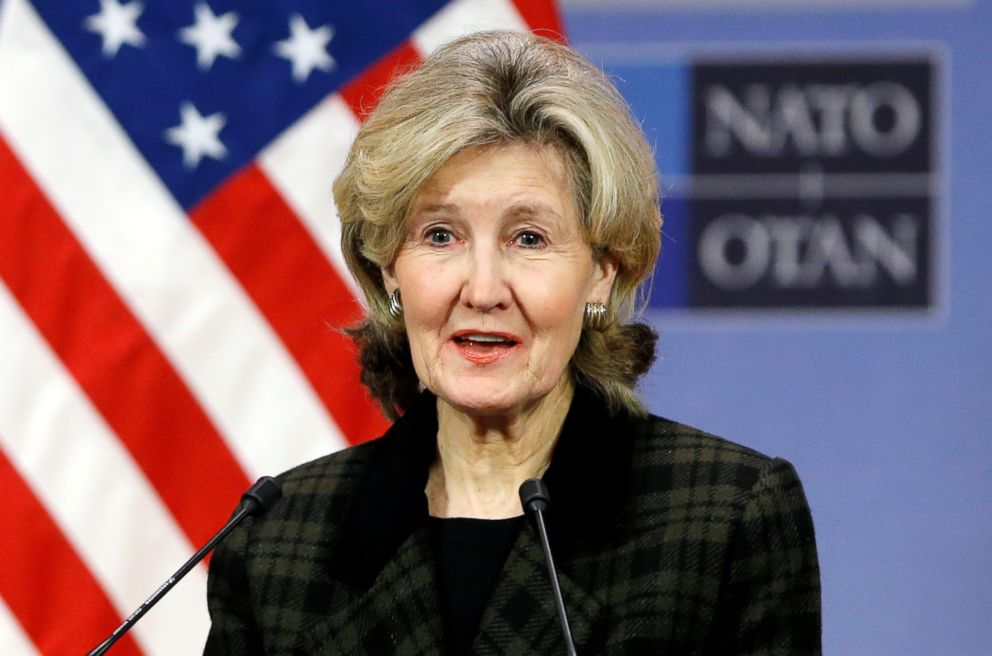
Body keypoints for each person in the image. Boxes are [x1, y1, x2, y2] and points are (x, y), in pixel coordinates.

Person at [204, 30, 821, 655]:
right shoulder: (278, 540)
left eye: (528, 238)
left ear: (602, 271)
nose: (482, 289)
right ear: (389, 268)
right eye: (441, 236)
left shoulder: (725, 521)